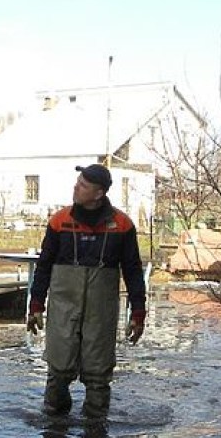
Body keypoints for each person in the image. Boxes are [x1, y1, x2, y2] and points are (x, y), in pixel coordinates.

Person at [26, 164, 146, 417]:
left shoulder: (122, 225)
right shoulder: (59, 222)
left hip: (100, 312)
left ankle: (96, 434)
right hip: (63, 307)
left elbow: (133, 271)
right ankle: (54, 428)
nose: (75, 188)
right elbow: (44, 266)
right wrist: (36, 304)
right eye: (77, 182)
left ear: (98, 193)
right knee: (58, 370)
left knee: (98, 374)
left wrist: (138, 312)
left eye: (82, 185)